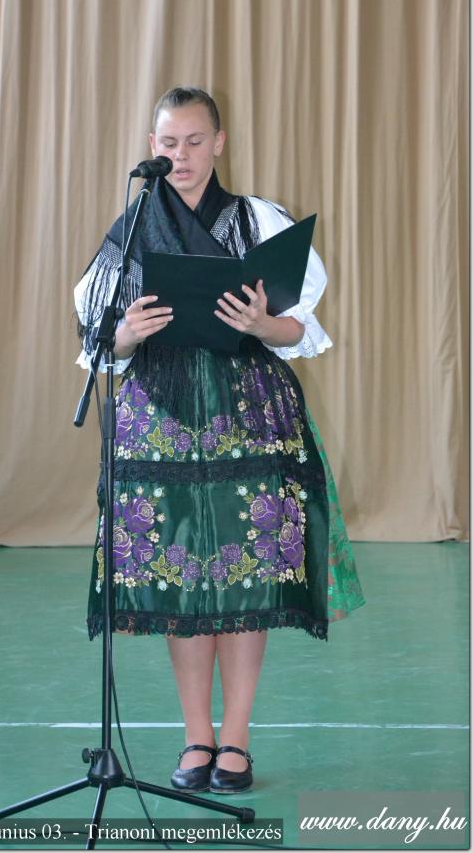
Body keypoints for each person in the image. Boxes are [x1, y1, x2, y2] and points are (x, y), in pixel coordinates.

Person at [74, 86, 365, 795]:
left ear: (220, 143)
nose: (182, 156)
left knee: (243, 577)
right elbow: (100, 343)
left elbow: (299, 328)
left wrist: (264, 325)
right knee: (181, 578)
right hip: (161, 424)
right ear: (152, 147)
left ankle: (236, 737)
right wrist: (125, 334)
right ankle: (195, 735)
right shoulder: (130, 230)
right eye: (169, 143)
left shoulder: (257, 221)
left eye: (195, 141)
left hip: (247, 416)